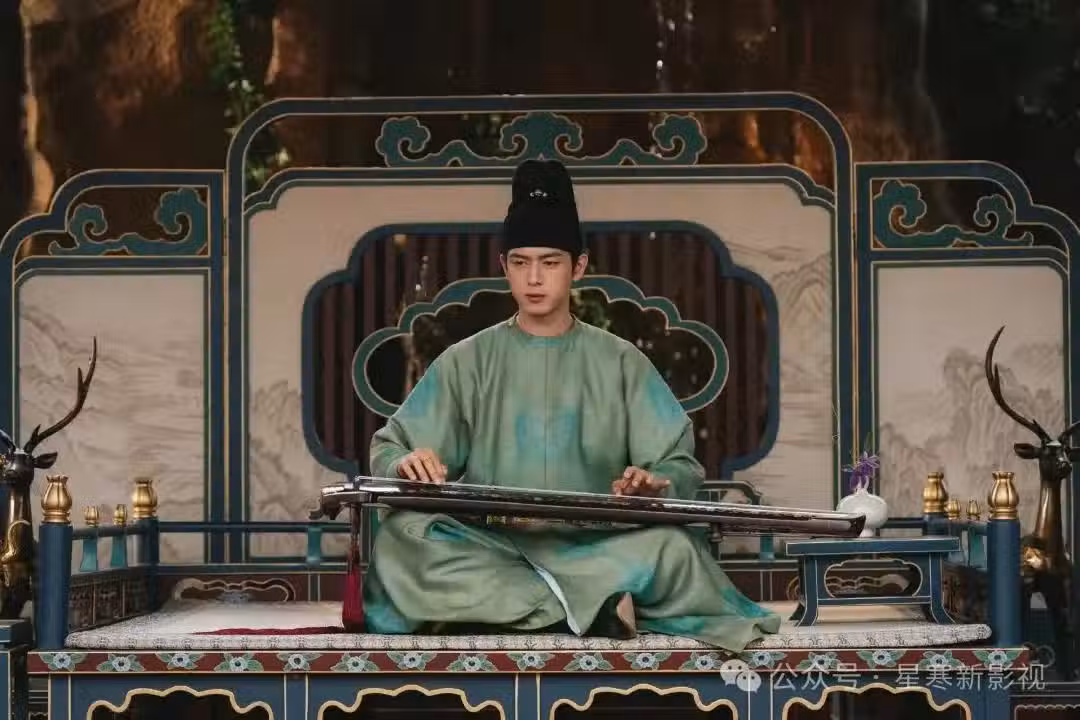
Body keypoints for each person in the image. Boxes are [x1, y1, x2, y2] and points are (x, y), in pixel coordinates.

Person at [362, 159, 780, 651]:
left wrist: (654, 483)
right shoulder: (468, 360)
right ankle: (593, 608)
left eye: (550, 262)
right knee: (401, 541)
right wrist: (406, 463)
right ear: (504, 266)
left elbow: (678, 465)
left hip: (599, 545)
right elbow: (391, 448)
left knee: (672, 550)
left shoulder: (621, 362)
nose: (534, 278)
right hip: (495, 546)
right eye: (521, 263)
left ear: (578, 266)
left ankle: (530, 608)